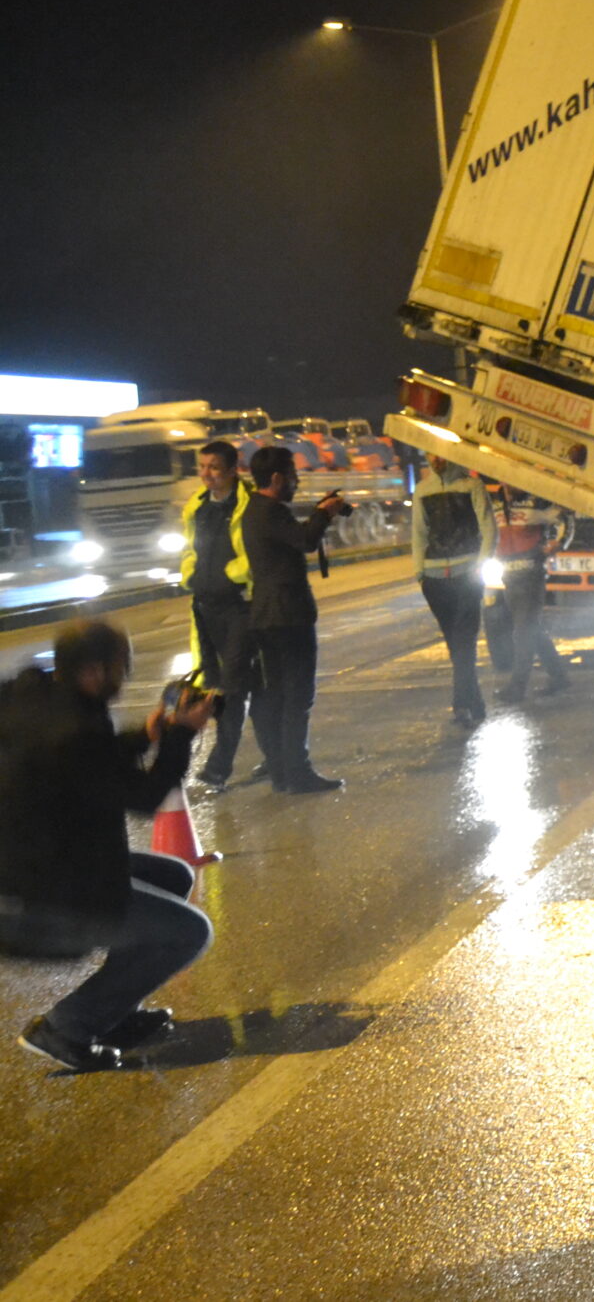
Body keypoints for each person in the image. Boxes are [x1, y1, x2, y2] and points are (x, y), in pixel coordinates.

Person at [1, 621, 218, 1072]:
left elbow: (87, 765)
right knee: (191, 932)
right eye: (125, 665)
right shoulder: (75, 726)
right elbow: (144, 798)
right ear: (97, 669)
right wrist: (182, 735)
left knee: (173, 875)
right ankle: (65, 1028)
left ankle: (114, 1013)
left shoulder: (42, 699)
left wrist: (148, 736)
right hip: (40, 884)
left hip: (42, 854)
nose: (129, 674)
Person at [241, 443, 350, 793]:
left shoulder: (256, 510)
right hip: (286, 616)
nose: (297, 481)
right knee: (297, 697)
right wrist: (325, 513)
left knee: (280, 696)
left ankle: (283, 773)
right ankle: (297, 773)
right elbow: (304, 540)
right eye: (292, 475)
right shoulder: (270, 511)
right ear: (276, 478)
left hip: (268, 615)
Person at [177, 439, 262, 789]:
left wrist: (233, 575)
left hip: (239, 607)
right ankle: (277, 755)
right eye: (202, 467)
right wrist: (189, 574)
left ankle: (218, 767)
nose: (206, 474)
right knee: (216, 687)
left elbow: (257, 552)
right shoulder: (196, 507)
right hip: (204, 606)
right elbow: (188, 547)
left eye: (213, 467)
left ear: (232, 469)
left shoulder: (250, 504)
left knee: (233, 688)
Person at [411, 456, 493, 728]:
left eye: (439, 455)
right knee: (456, 643)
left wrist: (480, 565)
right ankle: (475, 702)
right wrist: (420, 572)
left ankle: (461, 704)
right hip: (434, 579)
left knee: (463, 640)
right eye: (430, 455)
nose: (435, 460)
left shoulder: (472, 486)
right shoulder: (423, 490)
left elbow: (488, 527)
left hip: (466, 573)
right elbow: (419, 533)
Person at [492, 490, 568, 706]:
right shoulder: (495, 505)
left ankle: (517, 688)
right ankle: (560, 677)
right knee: (531, 629)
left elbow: (563, 518)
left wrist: (558, 543)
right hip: (509, 578)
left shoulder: (536, 502)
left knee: (523, 631)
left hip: (531, 576)